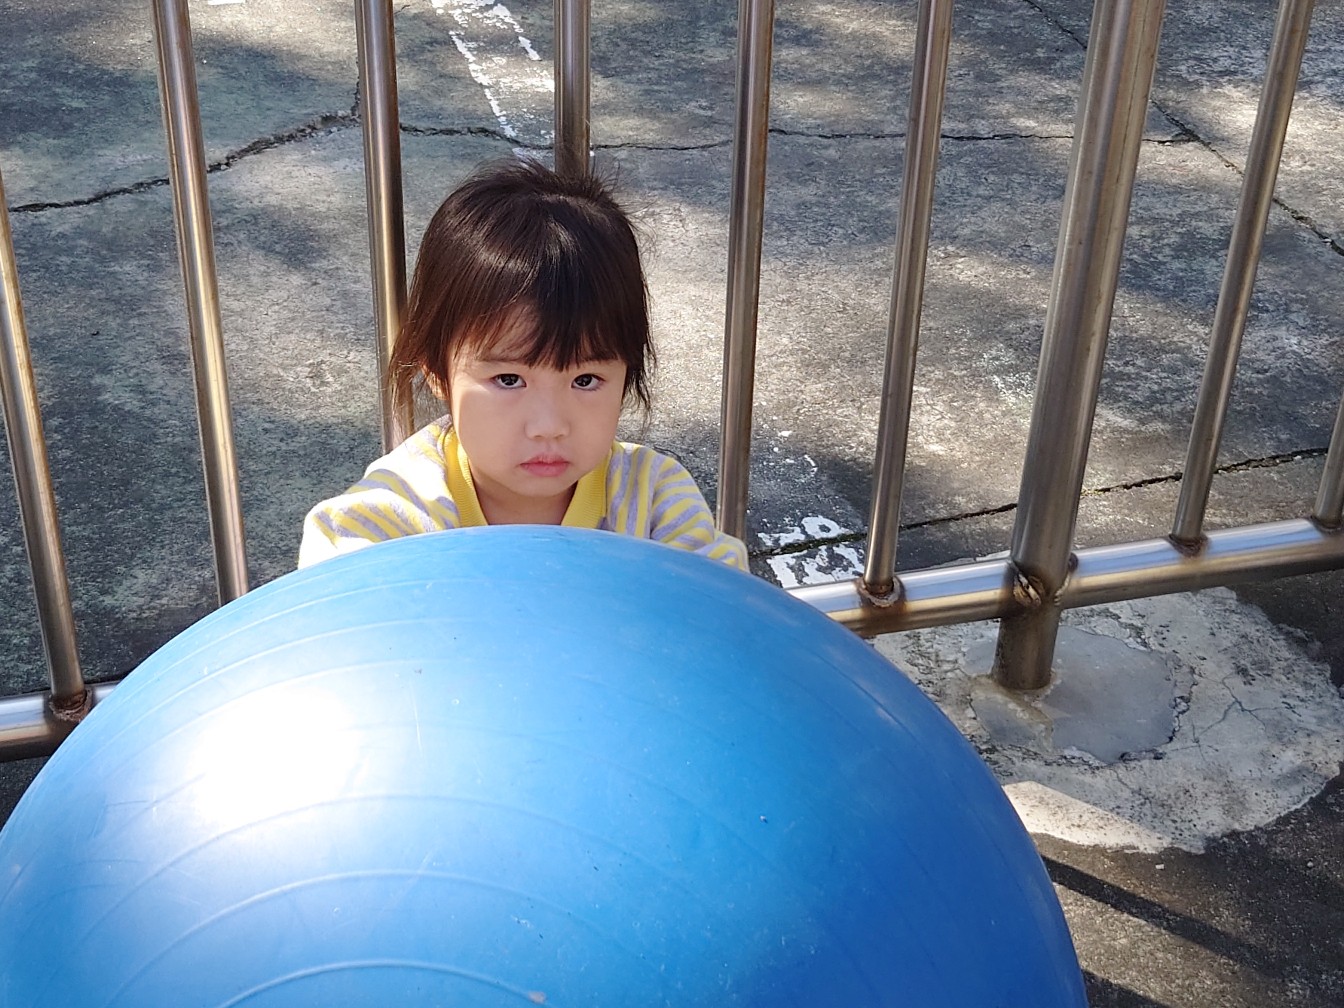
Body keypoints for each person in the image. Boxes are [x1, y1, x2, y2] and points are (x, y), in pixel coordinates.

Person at [299, 158, 748, 571]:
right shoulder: (392, 520)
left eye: (586, 380)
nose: (549, 426)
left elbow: (728, 608)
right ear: (436, 372)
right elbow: (325, 608)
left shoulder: (654, 503)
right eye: (509, 379)